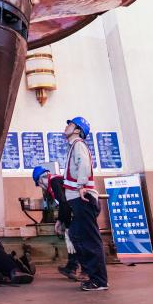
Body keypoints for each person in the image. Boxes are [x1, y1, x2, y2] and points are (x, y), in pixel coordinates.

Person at [62, 117, 108, 291]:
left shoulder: (79, 145)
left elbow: (84, 165)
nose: (66, 127)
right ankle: (91, 274)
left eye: (70, 124)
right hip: (78, 199)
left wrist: (81, 186)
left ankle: (99, 281)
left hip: (83, 198)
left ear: (77, 130)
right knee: (77, 235)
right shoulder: (73, 146)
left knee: (90, 240)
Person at [33, 166, 82, 281]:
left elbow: (64, 202)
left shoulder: (54, 181)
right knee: (73, 240)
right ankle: (71, 267)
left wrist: (64, 224)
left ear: (41, 179)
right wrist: (61, 221)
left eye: (39, 184)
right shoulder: (57, 180)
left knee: (74, 240)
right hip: (78, 210)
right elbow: (64, 203)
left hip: (80, 211)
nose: (41, 187)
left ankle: (80, 269)